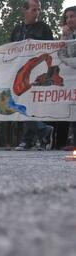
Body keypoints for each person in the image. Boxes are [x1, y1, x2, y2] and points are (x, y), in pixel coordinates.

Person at [11, 0, 54, 151]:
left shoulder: (44, 28)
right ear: (25, 10)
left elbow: (51, 49)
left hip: (37, 73)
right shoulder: (17, 30)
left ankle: (29, 139)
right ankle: (41, 132)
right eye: (34, 10)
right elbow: (10, 49)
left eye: (39, 10)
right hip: (20, 73)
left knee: (31, 105)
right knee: (21, 104)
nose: (37, 13)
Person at [60, 6, 76, 151]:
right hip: (73, 77)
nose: (70, 19)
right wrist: (64, 38)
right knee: (73, 107)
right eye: (67, 17)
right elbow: (61, 55)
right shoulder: (67, 36)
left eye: (72, 16)